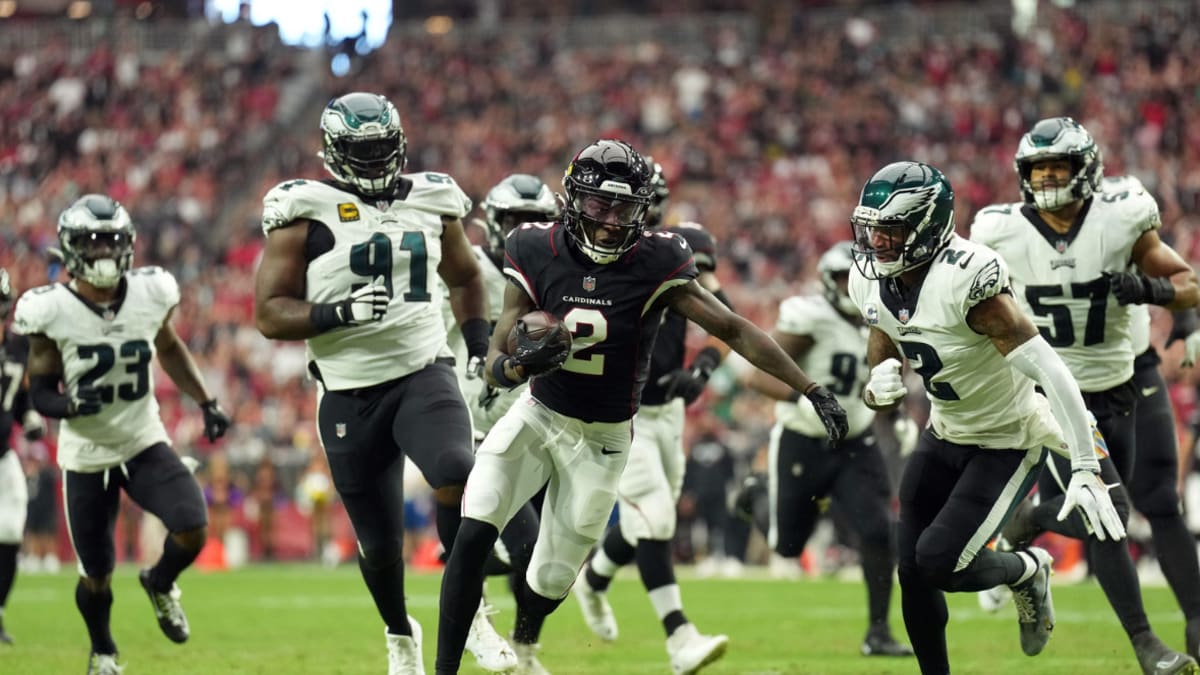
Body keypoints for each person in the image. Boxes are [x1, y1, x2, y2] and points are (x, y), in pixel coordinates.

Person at [434, 139, 849, 675]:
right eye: (599, 206)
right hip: (538, 415)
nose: (610, 221)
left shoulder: (657, 258)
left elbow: (731, 327)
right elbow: (496, 352)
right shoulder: (533, 246)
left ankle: (527, 635)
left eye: (624, 208)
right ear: (573, 199)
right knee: (475, 524)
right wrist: (516, 368)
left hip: (605, 439)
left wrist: (810, 388)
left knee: (552, 578)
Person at [253, 92, 518, 675]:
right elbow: (269, 313)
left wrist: (477, 345)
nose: (374, 161)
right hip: (349, 389)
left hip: (424, 370)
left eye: (380, 149)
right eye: (360, 151)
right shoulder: (305, 211)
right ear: (334, 152)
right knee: (379, 545)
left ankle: (469, 611)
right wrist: (337, 313)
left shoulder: (432, 198)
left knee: (458, 472)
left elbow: (467, 278)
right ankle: (401, 633)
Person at [846, 160, 1128, 675]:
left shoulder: (969, 279)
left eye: (890, 233)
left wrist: (1085, 464)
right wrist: (878, 378)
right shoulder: (869, 280)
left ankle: (1027, 569)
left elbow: (1051, 370)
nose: (877, 245)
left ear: (927, 227)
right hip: (946, 430)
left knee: (938, 560)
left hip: (1007, 439)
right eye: (872, 231)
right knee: (911, 570)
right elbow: (883, 331)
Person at [970, 116, 1200, 673]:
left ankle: (1196, 619)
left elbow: (1188, 282)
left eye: (1058, 166)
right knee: (1105, 517)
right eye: (1038, 168)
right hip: (1058, 391)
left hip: (1130, 372)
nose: (1048, 178)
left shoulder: (1121, 216)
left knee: (1161, 503)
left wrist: (1150, 291)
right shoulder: (999, 231)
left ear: (1086, 169)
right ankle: (1147, 645)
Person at [12, 194, 232, 675]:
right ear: (71, 251)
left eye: (112, 241)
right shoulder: (51, 309)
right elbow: (40, 390)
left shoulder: (151, 292)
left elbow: (169, 348)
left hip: (142, 439)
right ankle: (104, 650)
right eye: (93, 244)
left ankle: (159, 581)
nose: (104, 253)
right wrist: (68, 405)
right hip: (87, 454)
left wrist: (206, 401)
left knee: (193, 525)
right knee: (96, 574)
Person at [571, 159, 730, 674]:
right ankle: (679, 637)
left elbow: (726, 318)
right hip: (621, 410)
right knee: (656, 514)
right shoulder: (591, 249)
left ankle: (594, 580)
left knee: (647, 521)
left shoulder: (677, 249)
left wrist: (702, 367)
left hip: (667, 414)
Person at [732, 241, 913, 657]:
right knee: (788, 547)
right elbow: (757, 374)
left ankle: (879, 632)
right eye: (842, 279)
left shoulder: (884, 318)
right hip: (803, 441)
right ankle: (757, 494)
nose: (852, 288)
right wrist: (806, 398)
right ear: (829, 282)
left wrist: (897, 416)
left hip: (857, 442)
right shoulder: (809, 316)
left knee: (878, 532)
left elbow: (886, 378)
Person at [438, 172, 558, 670]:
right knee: (519, 544)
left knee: (542, 558)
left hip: (532, 426)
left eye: (536, 221)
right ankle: (474, 620)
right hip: (469, 424)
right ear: (493, 220)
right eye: (515, 220)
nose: (525, 229)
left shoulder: (555, 275)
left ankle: (525, 643)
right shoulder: (465, 267)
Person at [0, 268, 47, 645]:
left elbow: (19, 395)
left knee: (12, 529)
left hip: (3, 455)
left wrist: (28, 415)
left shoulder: (17, 347)